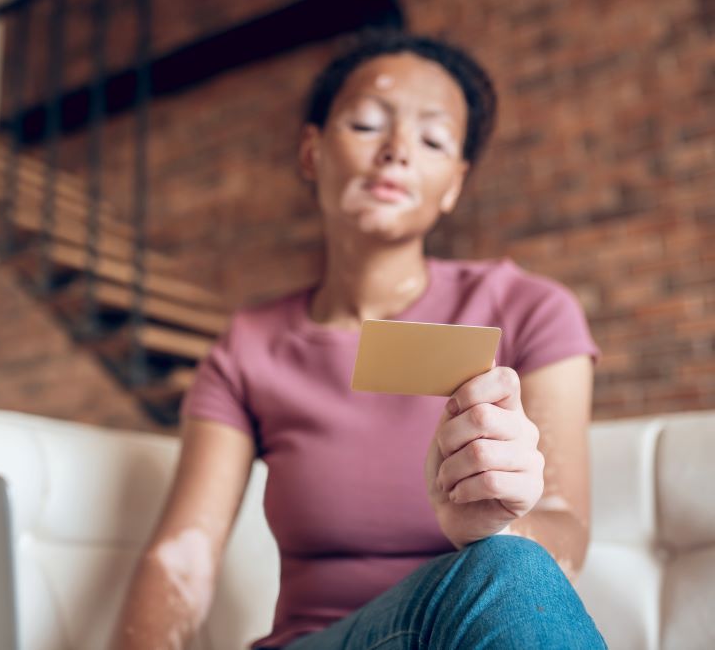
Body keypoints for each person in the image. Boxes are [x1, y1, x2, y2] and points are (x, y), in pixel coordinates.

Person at [113, 32, 606, 650]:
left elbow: (566, 537)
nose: (397, 152)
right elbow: (180, 559)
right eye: (368, 124)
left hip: (476, 622)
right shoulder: (248, 347)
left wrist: (496, 530)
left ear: (454, 184)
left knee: (509, 570)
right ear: (312, 153)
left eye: (432, 140)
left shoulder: (531, 311)